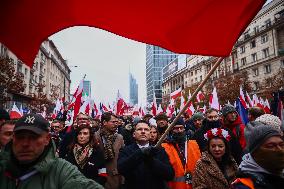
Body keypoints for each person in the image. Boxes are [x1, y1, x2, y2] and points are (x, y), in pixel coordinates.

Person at [0, 113, 103, 189]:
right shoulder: (2, 167)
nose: (25, 143)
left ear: (47, 139)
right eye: (20, 137)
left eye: (33, 137)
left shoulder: (61, 170)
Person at [118, 120, 174, 189]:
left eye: (146, 130)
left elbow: (170, 174)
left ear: (150, 134)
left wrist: (151, 161)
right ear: (134, 134)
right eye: (139, 129)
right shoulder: (126, 150)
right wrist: (140, 153)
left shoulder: (159, 150)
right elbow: (121, 169)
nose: (143, 131)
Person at [232, 122, 284, 188]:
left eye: (282, 145)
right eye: (271, 146)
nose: (280, 150)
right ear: (255, 153)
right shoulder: (245, 185)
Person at [162, 117, 201, 189]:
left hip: (195, 186)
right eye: (176, 128)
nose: (179, 131)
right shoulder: (164, 147)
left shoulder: (194, 144)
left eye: (181, 128)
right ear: (171, 130)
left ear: (184, 128)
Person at [95, 112, 124, 189]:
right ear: (104, 122)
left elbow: (123, 157)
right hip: (98, 177)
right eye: (113, 122)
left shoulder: (119, 137)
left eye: (117, 122)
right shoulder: (94, 136)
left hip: (115, 177)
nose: (116, 124)